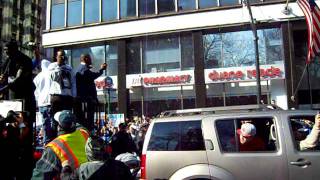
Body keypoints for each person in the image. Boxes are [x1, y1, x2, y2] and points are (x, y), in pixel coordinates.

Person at [0, 40, 36, 179]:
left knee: (24, 132)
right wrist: (2, 79)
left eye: (7, 49)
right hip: (10, 103)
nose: (5, 52)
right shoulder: (7, 61)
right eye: (4, 50)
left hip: (24, 103)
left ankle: (25, 166)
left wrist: (5, 85)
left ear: (14, 49)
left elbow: (18, 80)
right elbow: (4, 77)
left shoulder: (24, 59)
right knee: (11, 132)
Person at [32, 110, 89, 179]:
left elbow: (40, 176)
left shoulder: (55, 146)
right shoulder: (84, 134)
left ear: (59, 127)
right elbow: (80, 127)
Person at [74, 54, 107, 131]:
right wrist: (101, 70)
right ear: (85, 59)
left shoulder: (82, 68)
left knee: (87, 121)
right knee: (89, 121)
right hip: (86, 100)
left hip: (85, 99)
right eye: (89, 58)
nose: (91, 60)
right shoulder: (83, 69)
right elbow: (92, 75)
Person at [48, 49, 76, 138]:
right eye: (60, 56)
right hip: (57, 96)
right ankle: (55, 138)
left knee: (67, 118)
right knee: (55, 119)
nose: (62, 58)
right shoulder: (52, 66)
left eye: (64, 56)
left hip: (67, 96)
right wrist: (59, 67)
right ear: (56, 57)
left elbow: (73, 82)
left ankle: (67, 136)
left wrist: (74, 95)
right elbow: (52, 78)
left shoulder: (69, 68)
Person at [33, 59, 53, 144]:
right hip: (50, 101)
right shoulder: (51, 74)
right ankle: (52, 142)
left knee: (45, 124)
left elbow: (36, 91)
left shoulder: (38, 77)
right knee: (52, 124)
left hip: (41, 103)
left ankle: (46, 142)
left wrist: (38, 101)